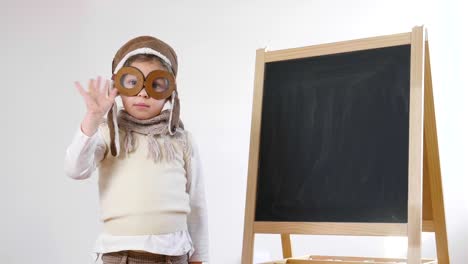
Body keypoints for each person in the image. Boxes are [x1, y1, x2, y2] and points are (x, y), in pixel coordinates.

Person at [64, 35, 208, 264]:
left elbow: (196, 203)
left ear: (170, 93)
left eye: (156, 85)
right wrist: (93, 118)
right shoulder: (108, 134)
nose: (143, 93)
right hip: (120, 256)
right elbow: (75, 169)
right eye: (132, 83)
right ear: (118, 88)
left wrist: (199, 258)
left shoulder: (182, 140)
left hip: (174, 255)